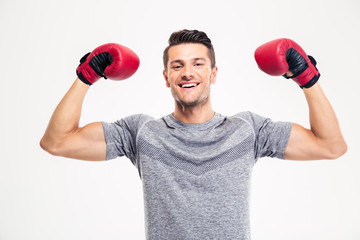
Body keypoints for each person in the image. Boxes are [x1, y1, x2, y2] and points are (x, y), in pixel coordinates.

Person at [40, 29, 347, 240]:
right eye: (178, 66)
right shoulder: (143, 133)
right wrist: (86, 76)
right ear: (166, 77)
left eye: (198, 64)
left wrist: (307, 78)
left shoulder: (247, 130)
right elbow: (56, 142)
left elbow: (331, 146)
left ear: (213, 73)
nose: (188, 73)